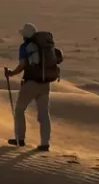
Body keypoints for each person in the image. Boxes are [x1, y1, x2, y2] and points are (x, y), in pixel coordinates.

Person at [4, 22, 62, 151]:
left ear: (24, 35)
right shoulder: (45, 47)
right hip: (45, 83)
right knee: (44, 114)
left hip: (31, 83)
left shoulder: (26, 47)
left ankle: (20, 139)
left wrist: (11, 73)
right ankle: (45, 143)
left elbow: (22, 65)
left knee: (19, 110)